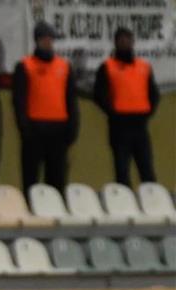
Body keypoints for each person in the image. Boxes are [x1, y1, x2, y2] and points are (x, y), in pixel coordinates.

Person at [12, 21, 79, 196]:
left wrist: (73, 127)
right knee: (31, 176)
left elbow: (71, 99)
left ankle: (55, 209)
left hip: (59, 129)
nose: (48, 42)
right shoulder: (25, 66)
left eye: (50, 38)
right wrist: (24, 127)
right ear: (37, 41)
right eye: (44, 39)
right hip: (34, 129)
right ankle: (31, 208)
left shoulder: (64, 66)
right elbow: (19, 100)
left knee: (57, 176)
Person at [93, 27, 160, 187]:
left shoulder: (144, 66)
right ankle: (124, 207)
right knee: (122, 172)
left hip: (140, 126)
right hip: (119, 127)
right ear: (115, 43)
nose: (125, 43)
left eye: (127, 39)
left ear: (133, 42)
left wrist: (147, 112)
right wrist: (114, 113)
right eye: (121, 40)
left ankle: (152, 204)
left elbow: (154, 94)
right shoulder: (107, 67)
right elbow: (99, 95)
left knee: (147, 170)